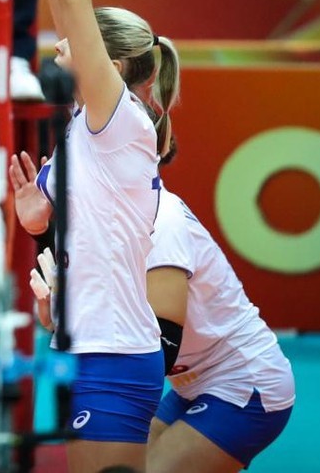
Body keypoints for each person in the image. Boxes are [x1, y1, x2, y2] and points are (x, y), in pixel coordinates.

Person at [4, 0, 181, 472]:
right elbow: (69, 228)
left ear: (108, 61)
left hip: (116, 353)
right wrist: (38, 219)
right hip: (85, 344)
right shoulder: (86, 124)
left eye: (74, 35)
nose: (59, 35)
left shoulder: (118, 117)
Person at [15, 153, 296, 472]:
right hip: (188, 385)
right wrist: (39, 230)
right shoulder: (94, 225)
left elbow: (163, 344)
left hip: (243, 381)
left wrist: (98, 389)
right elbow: (89, 314)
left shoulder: (159, 222)